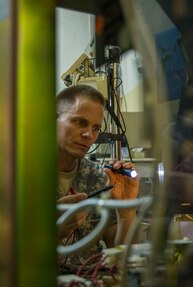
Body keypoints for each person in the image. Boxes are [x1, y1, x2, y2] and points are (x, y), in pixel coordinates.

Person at [55, 84, 139, 274]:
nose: (89, 135)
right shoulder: (23, 176)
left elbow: (126, 257)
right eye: (80, 122)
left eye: (95, 128)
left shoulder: (98, 179)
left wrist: (127, 210)